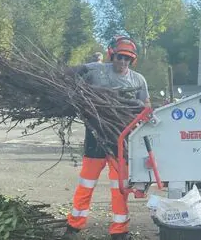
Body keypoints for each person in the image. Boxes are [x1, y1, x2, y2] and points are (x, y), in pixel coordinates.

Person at [62, 35, 150, 240]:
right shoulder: (97, 70)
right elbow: (73, 74)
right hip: (95, 135)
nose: (123, 62)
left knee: (120, 187)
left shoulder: (138, 80)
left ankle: (119, 230)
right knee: (86, 183)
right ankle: (74, 226)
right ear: (112, 55)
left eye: (127, 58)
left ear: (132, 60)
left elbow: (145, 107)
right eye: (119, 57)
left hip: (122, 139)